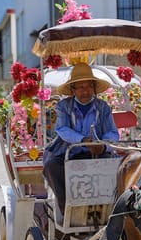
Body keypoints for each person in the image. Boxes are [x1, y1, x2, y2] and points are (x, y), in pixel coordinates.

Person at [42, 62, 119, 214]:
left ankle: (110, 211)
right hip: (68, 154)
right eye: (81, 87)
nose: (86, 91)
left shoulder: (103, 107)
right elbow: (62, 129)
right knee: (51, 166)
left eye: (89, 86)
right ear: (73, 90)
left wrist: (103, 145)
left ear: (94, 88)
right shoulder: (64, 106)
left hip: (97, 154)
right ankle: (68, 211)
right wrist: (83, 140)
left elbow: (113, 133)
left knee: (118, 168)